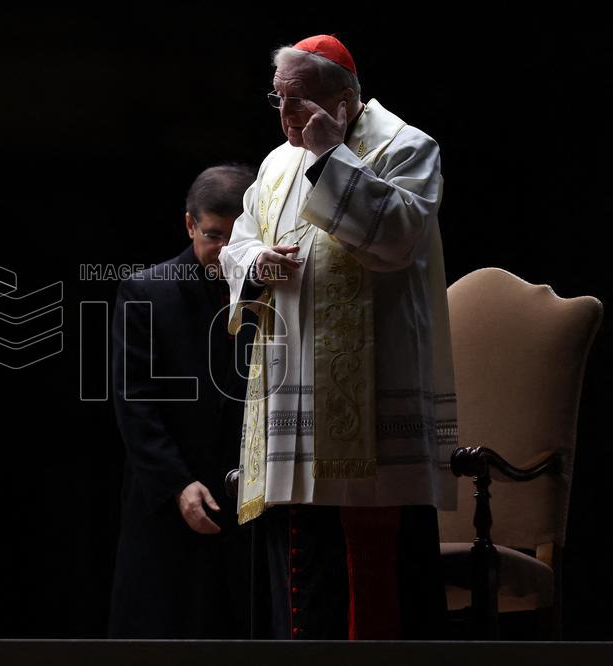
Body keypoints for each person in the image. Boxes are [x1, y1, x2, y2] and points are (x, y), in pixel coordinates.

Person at [219, 34, 457, 640]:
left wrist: (330, 159)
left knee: (371, 569)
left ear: (345, 100)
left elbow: (397, 238)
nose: (286, 116)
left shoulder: (405, 146)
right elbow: (239, 237)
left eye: (299, 102)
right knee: (303, 561)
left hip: (372, 392)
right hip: (293, 384)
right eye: (277, 100)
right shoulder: (276, 163)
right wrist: (257, 260)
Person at [108, 165, 256, 638]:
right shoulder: (145, 291)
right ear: (189, 225)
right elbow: (135, 404)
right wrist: (177, 484)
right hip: (170, 495)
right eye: (213, 236)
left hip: (251, 501)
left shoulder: (271, 291)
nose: (225, 253)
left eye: (237, 239)